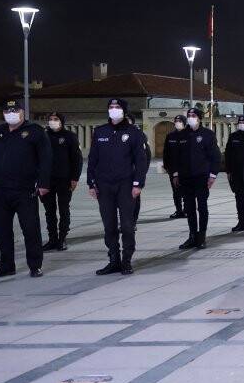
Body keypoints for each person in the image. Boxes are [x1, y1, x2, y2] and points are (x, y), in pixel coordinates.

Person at [0, 101, 51, 278]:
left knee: (30, 229)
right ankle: (6, 265)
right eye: (7, 110)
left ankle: (35, 265)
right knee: (2, 231)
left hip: (24, 190)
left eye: (15, 110)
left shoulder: (35, 132)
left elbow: (46, 159)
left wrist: (43, 183)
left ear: (22, 112)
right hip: (0, 191)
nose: (11, 113)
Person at [86, 99, 148, 275]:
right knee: (109, 225)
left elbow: (140, 160)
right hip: (104, 186)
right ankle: (114, 259)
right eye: (111, 107)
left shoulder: (134, 133)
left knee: (127, 225)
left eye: (118, 107)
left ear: (124, 111)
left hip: (126, 185)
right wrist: (91, 182)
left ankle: (126, 260)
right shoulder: (100, 132)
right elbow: (93, 159)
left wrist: (138, 183)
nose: (114, 110)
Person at [169, 107, 222, 249]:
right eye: (189, 115)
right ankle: (192, 236)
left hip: (202, 177)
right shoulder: (182, 135)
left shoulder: (207, 134)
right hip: (185, 177)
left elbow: (215, 156)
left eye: (193, 115)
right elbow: (175, 157)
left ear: (199, 118)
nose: (190, 117)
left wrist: (212, 175)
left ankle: (202, 236)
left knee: (202, 207)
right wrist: (175, 174)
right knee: (189, 207)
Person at [40, 112, 82, 252]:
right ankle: (52, 239)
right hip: (46, 180)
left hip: (64, 180)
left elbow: (77, 159)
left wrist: (75, 178)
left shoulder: (70, 136)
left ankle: (62, 238)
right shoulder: (43, 136)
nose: (52, 121)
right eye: (50, 119)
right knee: (49, 211)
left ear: (61, 121)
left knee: (64, 209)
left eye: (55, 119)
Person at [163, 115, 188, 220]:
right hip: (173, 169)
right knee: (176, 191)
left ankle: (187, 210)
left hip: (186, 169)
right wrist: (167, 166)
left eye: (180, 121)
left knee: (187, 191)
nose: (177, 122)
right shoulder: (170, 136)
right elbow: (166, 152)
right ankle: (179, 210)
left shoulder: (188, 135)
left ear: (184, 122)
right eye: (176, 121)